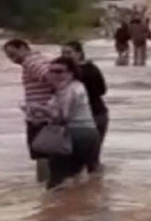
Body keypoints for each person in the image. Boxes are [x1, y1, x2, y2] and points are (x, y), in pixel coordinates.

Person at [33, 57, 100, 190]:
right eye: (51, 71)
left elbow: (63, 117)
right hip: (87, 133)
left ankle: (55, 208)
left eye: (59, 71)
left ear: (71, 72)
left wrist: (40, 110)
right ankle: (77, 205)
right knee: (77, 177)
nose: (54, 75)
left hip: (74, 134)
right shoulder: (75, 87)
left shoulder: (69, 90)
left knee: (57, 180)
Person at [3, 39, 53, 182]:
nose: (13, 60)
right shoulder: (42, 59)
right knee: (47, 155)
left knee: (41, 155)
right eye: (9, 57)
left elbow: (52, 78)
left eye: (14, 54)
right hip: (48, 115)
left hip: (40, 118)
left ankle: (44, 188)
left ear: (24, 48)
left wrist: (38, 106)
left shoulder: (30, 62)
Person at [61, 41, 108, 173]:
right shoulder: (66, 71)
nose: (65, 56)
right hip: (83, 117)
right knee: (84, 160)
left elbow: (102, 90)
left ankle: (93, 188)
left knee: (91, 160)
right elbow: (103, 90)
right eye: (63, 53)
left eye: (69, 53)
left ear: (79, 53)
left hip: (95, 115)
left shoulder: (85, 71)